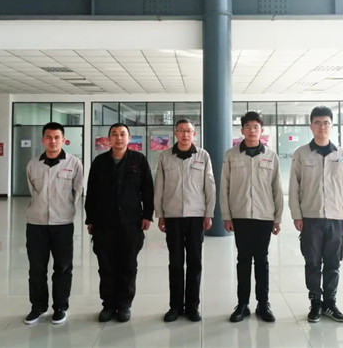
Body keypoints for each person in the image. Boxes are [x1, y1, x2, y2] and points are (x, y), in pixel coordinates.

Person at [288, 106, 343, 323]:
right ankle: (315, 303)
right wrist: (296, 215)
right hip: (311, 218)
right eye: (317, 123)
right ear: (311, 126)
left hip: (336, 218)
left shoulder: (342, 155)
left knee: (333, 263)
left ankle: (330, 302)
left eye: (326, 123)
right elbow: (294, 187)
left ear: (332, 125)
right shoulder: (301, 154)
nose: (322, 127)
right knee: (312, 262)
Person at [85, 123, 154, 323]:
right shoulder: (100, 162)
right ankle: (108, 305)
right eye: (114, 134)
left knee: (128, 265)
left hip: (131, 223)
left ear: (129, 138)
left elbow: (147, 190)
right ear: (109, 139)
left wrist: (147, 215)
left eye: (123, 134)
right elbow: (92, 192)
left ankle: (124, 305)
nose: (119, 137)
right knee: (106, 265)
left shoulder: (138, 160)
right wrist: (90, 219)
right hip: (104, 223)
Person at [220, 111, 283, 323]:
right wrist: (226, 216)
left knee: (262, 261)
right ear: (242, 130)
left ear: (261, 130)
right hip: (241, 215)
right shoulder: (231, 155)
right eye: (248, 127)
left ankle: (263, 305)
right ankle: (243, 305)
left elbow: (277, 189)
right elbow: (224, 187)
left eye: (256, 127)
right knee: (243, 260)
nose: (252, 131)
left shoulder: (271, 156)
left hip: (264, 216)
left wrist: (277, 218)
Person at [154, 119, 216, 323]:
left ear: (194, 134)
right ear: (175, 133)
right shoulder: (165, 156)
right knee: (175, 263)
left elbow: (210, 186)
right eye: (181, 131)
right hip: (172, 216)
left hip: (196, 216)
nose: (185, 134)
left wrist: (208, 213)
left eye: (189, 131)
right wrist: (160, 214)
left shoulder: (203, 156)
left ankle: (192, 306)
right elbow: (159, 186)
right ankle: (175, 307)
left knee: (195, 262)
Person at [24, 122, 84, 325]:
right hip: (36, 223)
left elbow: (77, 190)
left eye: (57, 137)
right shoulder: (33, 164)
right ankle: (38, 306)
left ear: (63, 140)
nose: (53, 141)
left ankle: (60, 307)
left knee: (63, 267)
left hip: (63, 223)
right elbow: (33, 191)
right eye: (48, 137)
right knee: (36, 268)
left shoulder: (74, 163)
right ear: (43, 140)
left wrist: (65, 209)